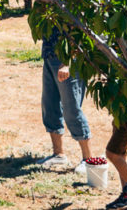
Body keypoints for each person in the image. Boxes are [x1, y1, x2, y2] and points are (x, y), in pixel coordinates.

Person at [36, 26, 93, 174]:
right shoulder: (49, 3)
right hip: (50, 55)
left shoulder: (70, 2)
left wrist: (68, 62)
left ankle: (88, 159)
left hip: (69, 61)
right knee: (50, 104)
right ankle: (58, 154)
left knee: (71, 108)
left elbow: (80, 29)